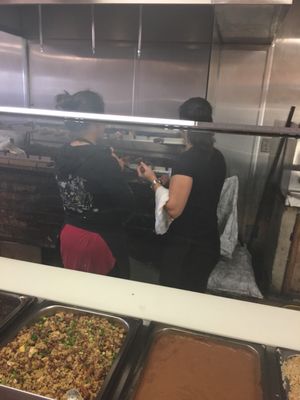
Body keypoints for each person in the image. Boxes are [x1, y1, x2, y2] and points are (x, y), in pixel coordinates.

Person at [137, 97, 226, 292]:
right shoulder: (217, 156)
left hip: (186, 247)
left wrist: (152, 180)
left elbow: (174, 209)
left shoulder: (187, 160)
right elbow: (202, 189)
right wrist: (170, 183)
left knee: (173, 297)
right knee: (194, 296)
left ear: (184, 126)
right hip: (208, 241)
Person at [55, 90, 134, 278]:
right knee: (105, 298)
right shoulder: (103, 159)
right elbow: (128, 206)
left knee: (78, 294)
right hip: (98, 240)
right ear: (97, 120)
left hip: (69, 234)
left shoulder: (62, 152)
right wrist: (116, 168)